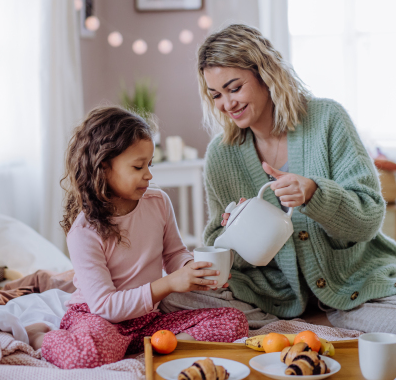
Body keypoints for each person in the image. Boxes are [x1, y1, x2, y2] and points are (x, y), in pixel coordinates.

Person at [191, 24, 396, 347]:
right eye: (215, 94)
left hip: (350, 286)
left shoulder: (327, 119)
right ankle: (313, 330)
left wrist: (316, 195)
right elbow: (222, 248)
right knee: (176, 299)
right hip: (271, 296)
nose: (226, 104)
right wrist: (233, 233)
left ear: (265, 74)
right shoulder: (221, 154)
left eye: (234, 88)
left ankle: (302, 328)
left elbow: (370, 217)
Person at [26, 107, 248, 369]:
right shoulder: (85, 230)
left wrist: (192, 270)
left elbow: (174, 253)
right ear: (104, 167)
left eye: (149, 164)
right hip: (99, 318)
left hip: (147, 319)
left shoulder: (158, 202)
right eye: (137, 166)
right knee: (86, 356)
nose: (149, 174)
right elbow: (106, 305)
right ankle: (41, 336)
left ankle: (155, 348)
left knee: (234, 321)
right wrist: (169, 284)